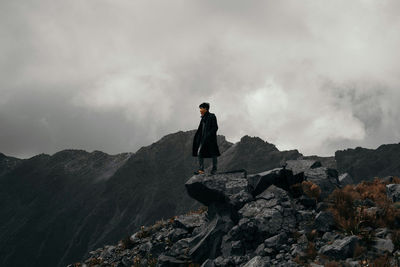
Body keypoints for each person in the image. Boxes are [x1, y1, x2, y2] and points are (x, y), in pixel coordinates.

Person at [192, 102, 221, 175]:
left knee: (213, 154)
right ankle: (201, 170)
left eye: (201, 108)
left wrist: (209, 135)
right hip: (203, 139)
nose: (200, 110)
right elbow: (201, 130)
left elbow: (215, 127)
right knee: (200, 153)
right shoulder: (203, 118)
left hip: (211, 140)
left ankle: (214, 170)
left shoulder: (212, 116)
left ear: (205, 108)